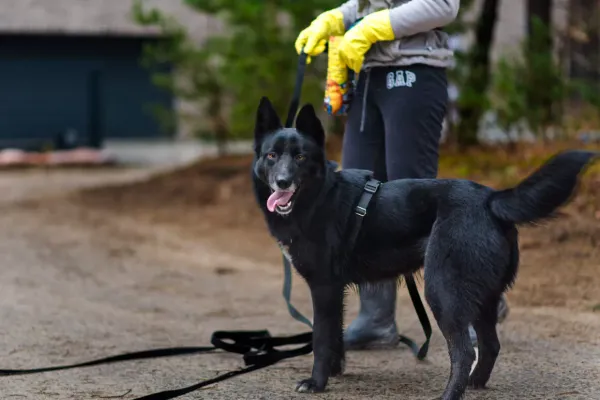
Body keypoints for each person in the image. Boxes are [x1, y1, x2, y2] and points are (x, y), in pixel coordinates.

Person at [295, 0, 509, 350]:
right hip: (365, 77)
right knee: (357, 202)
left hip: (415, 72)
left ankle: (479, 300)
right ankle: (376, 320)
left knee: (415, 202)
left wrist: (370, 28)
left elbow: (442, 5)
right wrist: (339, 18)